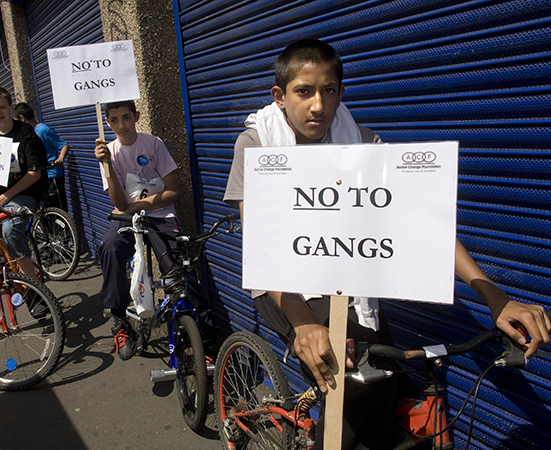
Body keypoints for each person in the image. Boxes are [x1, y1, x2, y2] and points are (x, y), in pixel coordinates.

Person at [223, 39, 551, 450]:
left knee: (383, 378)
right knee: (350, 383)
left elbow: (421, 223)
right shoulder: (255, 145)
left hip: (348, 277)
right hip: (285, 284)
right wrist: (304, 322)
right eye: (303, 92)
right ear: (280, 96)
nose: (318, 106)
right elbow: (263, 242)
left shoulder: (365, 142)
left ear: (342, 93)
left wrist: (492, 295)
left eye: (328, 91)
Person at [93, 100, 184, 361]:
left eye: (126, 118)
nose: (121, 125)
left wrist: (139, 205)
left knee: (177, 265)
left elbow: (173, 190)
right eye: (114, 120)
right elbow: (120, 205)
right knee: (110, 248)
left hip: (160, 214)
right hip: (126, 217)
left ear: (136, 116)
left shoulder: (153, 144)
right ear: (107, 122)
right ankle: (120, 320)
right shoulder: (108, 152)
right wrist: (107, 165)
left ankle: (189, 324)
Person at [0, 87, 49, 347]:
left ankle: (33, 294)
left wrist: (5, 199)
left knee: (11, 230)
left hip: (23, 194)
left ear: (10, 107)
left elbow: (35, 173)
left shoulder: (26, 134)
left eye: (2, 108)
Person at [13, 102, 70, 210]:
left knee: (59, 208)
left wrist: (60, 158)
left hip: (52, 175)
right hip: (40, 176)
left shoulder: (43, 130)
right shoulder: (27, 134)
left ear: (22, 118)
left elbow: (64, 145)